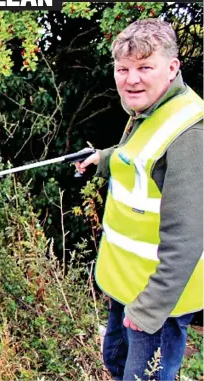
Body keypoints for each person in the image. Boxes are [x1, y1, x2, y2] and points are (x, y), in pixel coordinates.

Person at [77, 19, 203, 381]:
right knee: (116, 363)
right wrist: (104, 159)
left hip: (158, 303)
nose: (131, 79)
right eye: (123, 69)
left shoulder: (189, 133)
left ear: (172, 67)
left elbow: (188, 237)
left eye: (145, 67)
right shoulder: (153, 110)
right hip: (128, 284)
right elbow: (141, 154)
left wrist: (149, 310)